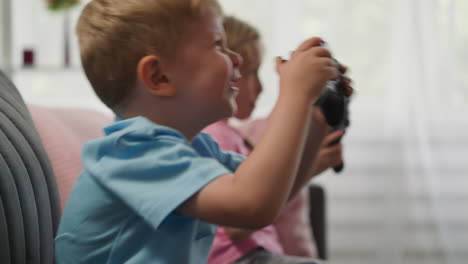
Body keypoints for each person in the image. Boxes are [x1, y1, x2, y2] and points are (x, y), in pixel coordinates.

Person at [54, 0, 341, 263]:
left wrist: (313, 116)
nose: (236, 59)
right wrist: (294, 96)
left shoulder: (195, 148)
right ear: (158, 77)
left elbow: (273, 192)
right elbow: (251, 206)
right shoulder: (130, 154)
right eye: (218, 45)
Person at [203, 16, 349, 264]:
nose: (259, 87)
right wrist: (295, 94)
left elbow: (273, 201)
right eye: (250, 73)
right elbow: (241, 223)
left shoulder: (232, 135)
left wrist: (316, 118)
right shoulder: (212, 136)